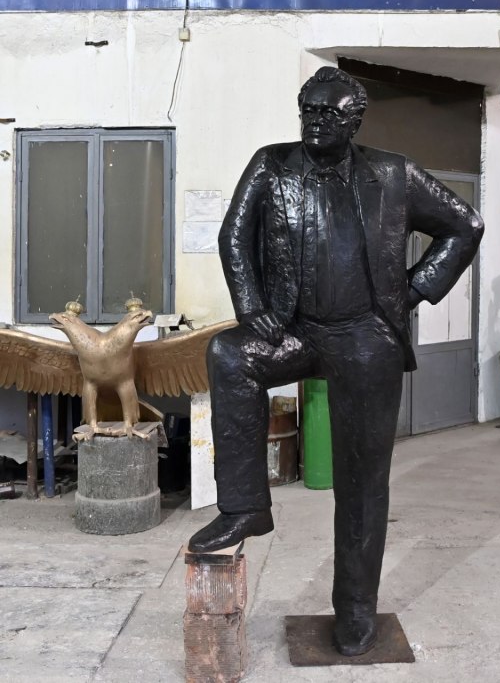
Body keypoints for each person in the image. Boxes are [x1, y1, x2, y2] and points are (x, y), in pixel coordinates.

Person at [188, 67, 484, 656]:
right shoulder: (272, 164)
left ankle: (355, 609)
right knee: (229, 354)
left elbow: (465, 224)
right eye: (309, 111)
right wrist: (252, 308)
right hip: (293, 329)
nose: (316, 122)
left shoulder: (393, 174)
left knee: (362, 481)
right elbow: (233, 237)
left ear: (355, 121)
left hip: (365, 335)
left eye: (329, 113)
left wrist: (413, 290)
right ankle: (246, 507)